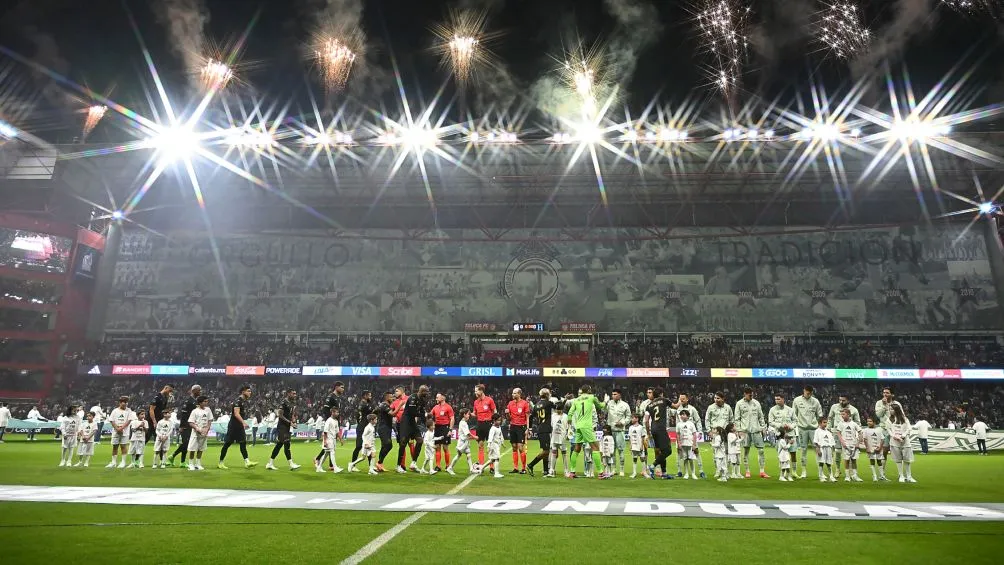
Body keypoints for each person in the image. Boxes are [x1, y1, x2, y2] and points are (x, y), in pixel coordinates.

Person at [567, 384, 608, 479]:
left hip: (578, 426)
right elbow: (601, 406)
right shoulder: (592, 397)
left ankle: (572, 472)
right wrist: (605, 401)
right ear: (589, 390)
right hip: (587, 426)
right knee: (595, 448)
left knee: (576, 448)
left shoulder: (576, 400)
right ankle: (601, 473)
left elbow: (569, 414)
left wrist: (569, 427)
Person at [219, 384, 257, 470]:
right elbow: (236, 414)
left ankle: (247, 462)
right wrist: (243, 423)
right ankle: (220, 462)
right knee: (227, 444)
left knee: (243, 443)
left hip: (239, 426)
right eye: (248, 391)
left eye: (250, 391)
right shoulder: (238, 401)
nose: (250, 392)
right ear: (243, 392)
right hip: (233, 426)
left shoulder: (244, 401)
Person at [734, 386, 768, 479]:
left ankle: (762, 471)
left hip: (756, 430)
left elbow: (761, 416)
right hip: (745, 431)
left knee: (761, 450)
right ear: (745, 394)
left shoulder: (756, 403)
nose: (751, 396)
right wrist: (739, 430)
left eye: (752, 395)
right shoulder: (739, 404)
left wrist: (763, 428)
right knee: (745, 451)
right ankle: (747, 471)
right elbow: (737, 418)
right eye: (749, 395)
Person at [793, 385, 823, 479]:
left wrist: (817, 424)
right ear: (804, 391)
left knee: (817, 449)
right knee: (803, 450)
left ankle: (820, 472)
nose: (808, 394)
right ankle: (803, 471)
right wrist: (798, 424)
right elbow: (794, 414)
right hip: (802, 428)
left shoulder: (815, 401)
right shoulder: (797, 400)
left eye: (810, 393)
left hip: (814, 429)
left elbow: (820, 414)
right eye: (807, 393)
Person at [827, 394, 860, 478]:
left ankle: (851, 472)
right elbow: (830, 418)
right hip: (836, 432)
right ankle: (837, 469)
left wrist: (856, 435)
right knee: (837, 452)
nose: (841, 402)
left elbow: (857, 422)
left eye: (843, 400)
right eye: (840, 400)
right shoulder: (834, 407)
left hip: (849, 434)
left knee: (850, 454)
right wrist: (828, 429)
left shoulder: (854, 410)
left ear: (848, 400)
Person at [267, 389, 301, 471]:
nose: (295, 395)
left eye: (295, 393)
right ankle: (291, 464)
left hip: (287, 427)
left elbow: (292, 414)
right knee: (286, 443)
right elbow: (280, 415)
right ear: (288, 394)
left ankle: (270, 463)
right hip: (282, 427)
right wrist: (290, 422)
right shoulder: (284, 402)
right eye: (293, 393)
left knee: (279, 445)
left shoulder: (292, 403)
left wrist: (294, 422)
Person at [874, 387, 905, 478]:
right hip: (884, 430)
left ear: (892, 394)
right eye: (884, 392)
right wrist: (884, 406)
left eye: (887, 393)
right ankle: (882, 474)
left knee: (899, 452)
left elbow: (902, 415)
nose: (885, 394)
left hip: (896, 430)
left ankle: (901, 474)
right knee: (884, 451)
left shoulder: (896, 404)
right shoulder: (879, 403)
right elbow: (878, 415)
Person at [314, 382, 345, 469]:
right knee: (329, 443)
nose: (343, 389)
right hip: (331, 423)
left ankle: (331, 465)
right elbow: (325, 409)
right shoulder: (330, 396)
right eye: (342, 387)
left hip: (335, 422)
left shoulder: (337, 398)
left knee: (333, 444)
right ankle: (317, 459)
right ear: (336, 387)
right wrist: (330, 421)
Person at [398, 385, 429, 473]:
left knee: (420, 440)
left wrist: (426, 423)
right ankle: (398, 465)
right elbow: (412, 412)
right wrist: (423, 415)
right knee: (403, 443)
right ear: (421, 391)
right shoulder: (413, 397)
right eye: (425, 392)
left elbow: (422, 412)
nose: (427, 394)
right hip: (406, 422)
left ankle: (413, 463)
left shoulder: (423, 400)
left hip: (412, 422)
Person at [169, 385, 202, 468]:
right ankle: (172, 456)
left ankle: (182, 462)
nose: (200, 392)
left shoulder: (196, 401)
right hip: (186, 425)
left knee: (186, 444)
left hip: (192, 425)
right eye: (199, 390)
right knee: (186, 443)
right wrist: (181, 426)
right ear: (194, 391)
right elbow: (184, 414)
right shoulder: (188, 401)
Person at [644, 388, 673, 479]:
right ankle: (652, 466)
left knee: (661, 451)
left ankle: (664, 473)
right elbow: (675, 406)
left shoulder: (649, 405)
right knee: (668, 451)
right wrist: (680, 400)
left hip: (653, 429)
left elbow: (646, 421)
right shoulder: (664, 400)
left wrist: (648, 433)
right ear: (661, 394)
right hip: (661, 429)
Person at [674, 394, 705, 478]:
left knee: (696, 451)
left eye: (683, 399)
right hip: (681, 435)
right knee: (679, 452)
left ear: (687, 399)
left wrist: (700, 432)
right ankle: (679, 471)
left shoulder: (692, 409)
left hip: (690, 436)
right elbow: (677, 422)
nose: (681, 400)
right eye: (680, 399)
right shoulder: (677, 410)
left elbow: (698, 420)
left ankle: (701, 470)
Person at [527, 388, 555, 477]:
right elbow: (558, 407)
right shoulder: (548, 403)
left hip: (540, 429)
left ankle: (545, 470)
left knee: (545, 450)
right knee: (546, 451)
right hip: (545, 429)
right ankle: (531, 465)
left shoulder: (536, 405)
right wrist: (564, 399)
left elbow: (531, 417)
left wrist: (530, 428)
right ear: (547, 395)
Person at [768, 393, 798, 477]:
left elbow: (795, 421)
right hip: (780, 435)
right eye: (776, 399)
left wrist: (791, 426)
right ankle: (783, 472)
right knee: (781, 454)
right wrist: (780, 426)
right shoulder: (772, 410)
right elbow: (770, 422)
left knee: (793, 453)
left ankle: (794, 471)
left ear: (783, 399)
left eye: (778, 399)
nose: (777, 401)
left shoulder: (790, 410)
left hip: (791, 433)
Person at [606, 389, 632, 476]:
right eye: (612, 394)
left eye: (615, 394)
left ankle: (621, 470)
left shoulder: (625, 405)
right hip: (610, 431)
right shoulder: (609, 403)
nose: (613, 396)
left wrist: (622, 422)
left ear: (619, 395)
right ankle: (614, 469)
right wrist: (605, 402)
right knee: (611, 451)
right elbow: (603, 410)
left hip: (620, 430)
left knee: (621, 450)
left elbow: (629, 417)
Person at [506, 388, 531, 474]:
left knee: (520, 447)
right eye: (512, 393)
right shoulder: (510, 403)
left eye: (515, 393)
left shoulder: (524, 403)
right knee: (514, 447)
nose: (513, 395)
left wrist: (528, 428)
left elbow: (527, 417)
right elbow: (509, 418)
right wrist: (507, 414)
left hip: (521, 427)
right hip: (513, 426)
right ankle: (515, 468)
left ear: (519, 394)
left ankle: (523, 468)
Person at [889, 404, 916, 482]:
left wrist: (904, 435)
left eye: (892, 409)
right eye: (890, 409)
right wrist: (895, 437)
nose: (890, 410)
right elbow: (889, 430)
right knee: (898, 459)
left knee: (907, 459)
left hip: (905, 441)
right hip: (894, 442)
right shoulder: (889, 419)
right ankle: (901, 475)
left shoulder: (904, 418)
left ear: (896, 410)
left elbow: (909, 428)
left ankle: (909, 476)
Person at [473, 384, 497, 468]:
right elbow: (474, 413)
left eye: (476, 391)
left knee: (490, 446)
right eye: (475, 391)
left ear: (481, 391)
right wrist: (468, 414)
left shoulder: (489, 400)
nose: (475, 392)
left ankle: (492, 467)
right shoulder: (475, 402)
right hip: (479, 424)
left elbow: (494, 411)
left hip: (489, 424)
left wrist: (495, 422)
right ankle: (481, 465)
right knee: (480, 445)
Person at [429, 393, 454, 474]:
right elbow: (429, 415)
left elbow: (452, 418)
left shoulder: (448, 407)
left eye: (437, 397)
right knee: (437, 447)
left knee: (445, 448)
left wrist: (450, 430)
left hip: (445, 428)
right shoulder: (435, 407)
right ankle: (438, 466)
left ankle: (447, 466)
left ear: (443, 398)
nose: (436, 398)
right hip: (437, 428)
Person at [836, 408, 863, 482]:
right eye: (841, 414)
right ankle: (847, 476)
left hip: (854, 444)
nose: (842, 416)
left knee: (854, 460)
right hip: (845, 445)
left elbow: (860, 432)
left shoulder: (854, 424)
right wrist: (842, 442)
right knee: (846, 460)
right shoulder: (841, 423)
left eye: (843, 414)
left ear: (848, 414)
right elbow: (838, 433)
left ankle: (855, 476)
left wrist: (858, 443)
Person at [350, 391, 375, 471]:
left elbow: (358, 415)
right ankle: (352, 465)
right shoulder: (364, 404)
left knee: (369, 446)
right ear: (365, 396)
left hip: (364, 427)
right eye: (369, 396)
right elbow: (369, 413)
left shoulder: (363, 404)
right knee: (358, 446)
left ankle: (371, 466)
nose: (370, 397)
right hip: (362, 428)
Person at [107, 397, 134, 468]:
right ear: (120, 403)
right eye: (124, 402)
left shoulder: (129, 411)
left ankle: (123, 462)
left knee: (123, 446)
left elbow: (129, 421)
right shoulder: (115, 411)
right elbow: (111, 420)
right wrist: (117, 428)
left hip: (125, 432)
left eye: (126, 402)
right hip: (116, 431)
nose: (125, 403)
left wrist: (121, 428)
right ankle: (113, 462)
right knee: (115, 446)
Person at [187, 396, 212, 471]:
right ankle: (191, 464)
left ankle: (198, 464)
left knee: (201, 448)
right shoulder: (195, 411)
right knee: (192, 448)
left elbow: (210, 420)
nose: (206, 403)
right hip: (196, 432)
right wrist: (197, 428)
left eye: (207, 401)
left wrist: (207, 429)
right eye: (204, 401)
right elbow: (191, 422)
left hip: (204, 432)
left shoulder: (208, 410)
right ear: (200, 402)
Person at [446, 409, 475, 475]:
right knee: (459, 455)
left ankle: (471, 469)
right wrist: (475, 437)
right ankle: (450, 468)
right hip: (462, 442)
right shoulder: (463, 423)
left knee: (469, 455)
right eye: (468, 414)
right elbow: (467, 434)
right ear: (464, 415)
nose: (469, 415)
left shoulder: (464, 422)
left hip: (465, 442)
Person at [374, 391, 395, 472]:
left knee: (384, 446)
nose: (392, 398)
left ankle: (380, 465)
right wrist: (400, 406)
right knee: (388, 445)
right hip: (383, 427)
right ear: (386, 397)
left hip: (387, 427)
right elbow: (392, 414)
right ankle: (379, 463)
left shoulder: (385, 405)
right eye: (391, 397)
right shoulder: (384, 404)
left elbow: (375, 411)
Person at [318, 407, 343, 473]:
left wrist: (340, 439)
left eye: (338, 412)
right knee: (332, 453)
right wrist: (325, 441)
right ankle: (335, 468)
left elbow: (337, 431)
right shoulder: (328, 421)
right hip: (329, 439)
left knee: (326, 454)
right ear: (332, 412)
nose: (338, 413)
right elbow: (325, 431)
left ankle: (319, 467)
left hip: (333, 439)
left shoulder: (336, 421)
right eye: (337, 412)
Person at [861, 417, 887, 481]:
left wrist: (880, 448)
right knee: (872, 461)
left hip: (878, 448)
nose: (868, 423)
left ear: (874, 422)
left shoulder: (879, 429)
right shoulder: (866, 430)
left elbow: (882, 439)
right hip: (871, 448)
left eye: (870, 421)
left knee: (879, 461)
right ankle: (874, 476)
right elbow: (865, 439)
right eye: (868, 421)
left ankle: (882, 476)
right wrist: (867, 448)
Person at [676, 409, 698, 480]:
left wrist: (694, 444)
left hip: (690, 444)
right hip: (683, 444)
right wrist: (679, 443)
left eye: (684, 414)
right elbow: (678, 434)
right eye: (681, 414)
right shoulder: (679, 424)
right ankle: (686, 473)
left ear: (688, 416)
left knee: (691, 459)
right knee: (685, 459)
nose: (682, 416)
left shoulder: (691, 424)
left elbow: (694, 434)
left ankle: (693, 473)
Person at [548, 402, 569, 478]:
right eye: (556, 409)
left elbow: (567, 426)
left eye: (559, 409)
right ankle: (552, 470)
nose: (557, 411)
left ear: (562, 409)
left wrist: (567, 435)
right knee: (553, 453)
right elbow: (551, 425)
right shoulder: (553, 415)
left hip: (562, 437)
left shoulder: (566, 416)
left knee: (564, 454)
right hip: (554, 436)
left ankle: (566, 471)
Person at [812, 417, 835, 481]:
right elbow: (816, 441)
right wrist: (818, 449)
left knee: (829, 463)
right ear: (820, 423)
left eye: (826, 422)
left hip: (828, 448)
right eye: (824, 422)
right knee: (821, 462)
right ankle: (821, 476)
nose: (825, 424)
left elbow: (832, 442)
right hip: (821, 448)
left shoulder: (828, 432)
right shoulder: (817, 431)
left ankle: (831, 476)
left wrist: (832, 451)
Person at [627, 413, 649, 478]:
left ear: (637, 419)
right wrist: (630, 445)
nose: (631, 419)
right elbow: (630, 437)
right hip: (633, 446)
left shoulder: (641, 427)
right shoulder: (630, 427)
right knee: (634, 459)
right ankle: (634, 473)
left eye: (633, 418)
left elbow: (643, 437)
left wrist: (642, 446)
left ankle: (644, 472)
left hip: (639, 446)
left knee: (642, 459)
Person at [486, 413, 504, 478]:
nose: (499, 422)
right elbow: (490, 438)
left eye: (500, 420)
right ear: (494, 420)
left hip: (497, 445)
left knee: (492, 459)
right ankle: (496, 473)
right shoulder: (492, 429)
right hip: (493, 445)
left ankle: (481, 468)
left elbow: (500, 435)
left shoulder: (499, 427)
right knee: (497, 458)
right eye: (498, 420)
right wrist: (488, 446)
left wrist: (502, 442)